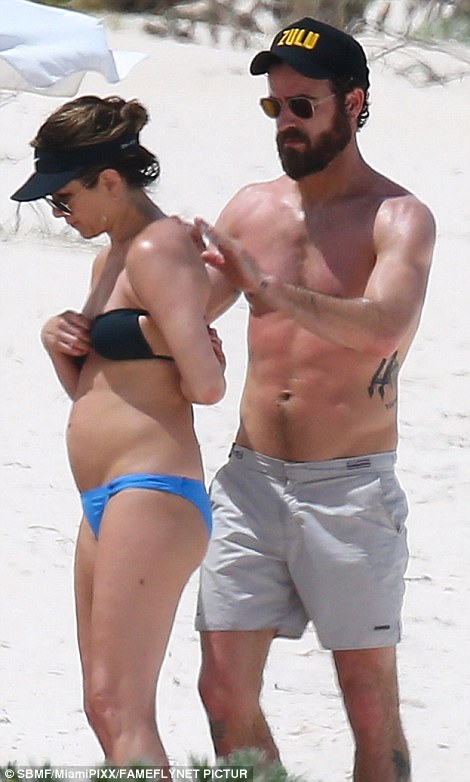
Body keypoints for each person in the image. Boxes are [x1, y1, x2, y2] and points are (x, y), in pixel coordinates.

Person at [195, 17, 435, 782]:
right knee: (221, 689)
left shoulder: (398, 217)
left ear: (353, 103)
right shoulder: (252, 208)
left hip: (349, 490)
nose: (286, 123)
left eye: (303, 106)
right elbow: (185, 313)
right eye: (275, 106)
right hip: (250, 481)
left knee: (367, 699)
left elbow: (383, 325)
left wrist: (268, 289)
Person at [11, 95, 226, 766]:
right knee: (103, 707)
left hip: (152, 489)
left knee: (119, 706)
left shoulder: (161, 247)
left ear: (109, 179)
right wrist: (58, 346)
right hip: (106, 497)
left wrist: (158, 336)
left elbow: (207, 383)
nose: (59, 212)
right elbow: (102, 390)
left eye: (63, 197)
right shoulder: (110, 260)